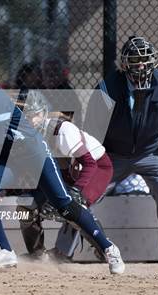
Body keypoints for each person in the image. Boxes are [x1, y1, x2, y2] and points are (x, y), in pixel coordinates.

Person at [0, 53, 125, 274]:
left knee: (65, 205)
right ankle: (5, 251)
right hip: (11, 156)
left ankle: (108, 248)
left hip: (34, 153)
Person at [85, 36, 158, 263]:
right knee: (82, 196)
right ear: (124, 64)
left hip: (150, 153)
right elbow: (92, 125)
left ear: (153, 62)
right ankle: (63, 251)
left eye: (144, 60)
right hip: (113, 155)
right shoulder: (107, 87)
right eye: (134, 60)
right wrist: (93, 156)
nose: (140, 65)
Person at [16, 91, 113, 262]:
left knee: (74, 206)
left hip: (96, 168)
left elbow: (90, 163)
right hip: (68, 170)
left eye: (33, 115)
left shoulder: (61, 130)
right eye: (23, 117)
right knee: (26, 205)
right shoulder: (25, 137)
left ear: (43, 113)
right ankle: (37, 255)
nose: (29, 121)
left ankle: (104, 248)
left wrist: (77, 191)